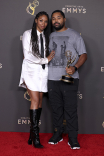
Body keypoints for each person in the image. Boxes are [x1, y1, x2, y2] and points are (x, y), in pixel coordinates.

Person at [48, 10, 87, 149]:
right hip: (52, 79)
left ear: (64, 19)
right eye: (53, 18)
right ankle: (57, 135)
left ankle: (73, 139)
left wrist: (75, 67)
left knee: (70, 109)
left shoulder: (75, 35)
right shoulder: (50, 36)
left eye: (58, 18)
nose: (56, 21)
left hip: (69, 78)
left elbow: (83, 54)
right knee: (56, 109)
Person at [19, 11, 55, 148]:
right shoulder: (28, 34)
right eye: (41, 20)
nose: (44, 24)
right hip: (31, 72)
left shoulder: (45, 37)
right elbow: (27, 55)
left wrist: (48, 59)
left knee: (39, 101)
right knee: (35, 100)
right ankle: (36, 138)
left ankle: (31, 135)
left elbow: (44, 55)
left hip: (42, 73)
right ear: (35, 20)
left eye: (46, 21)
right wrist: (45, 59)